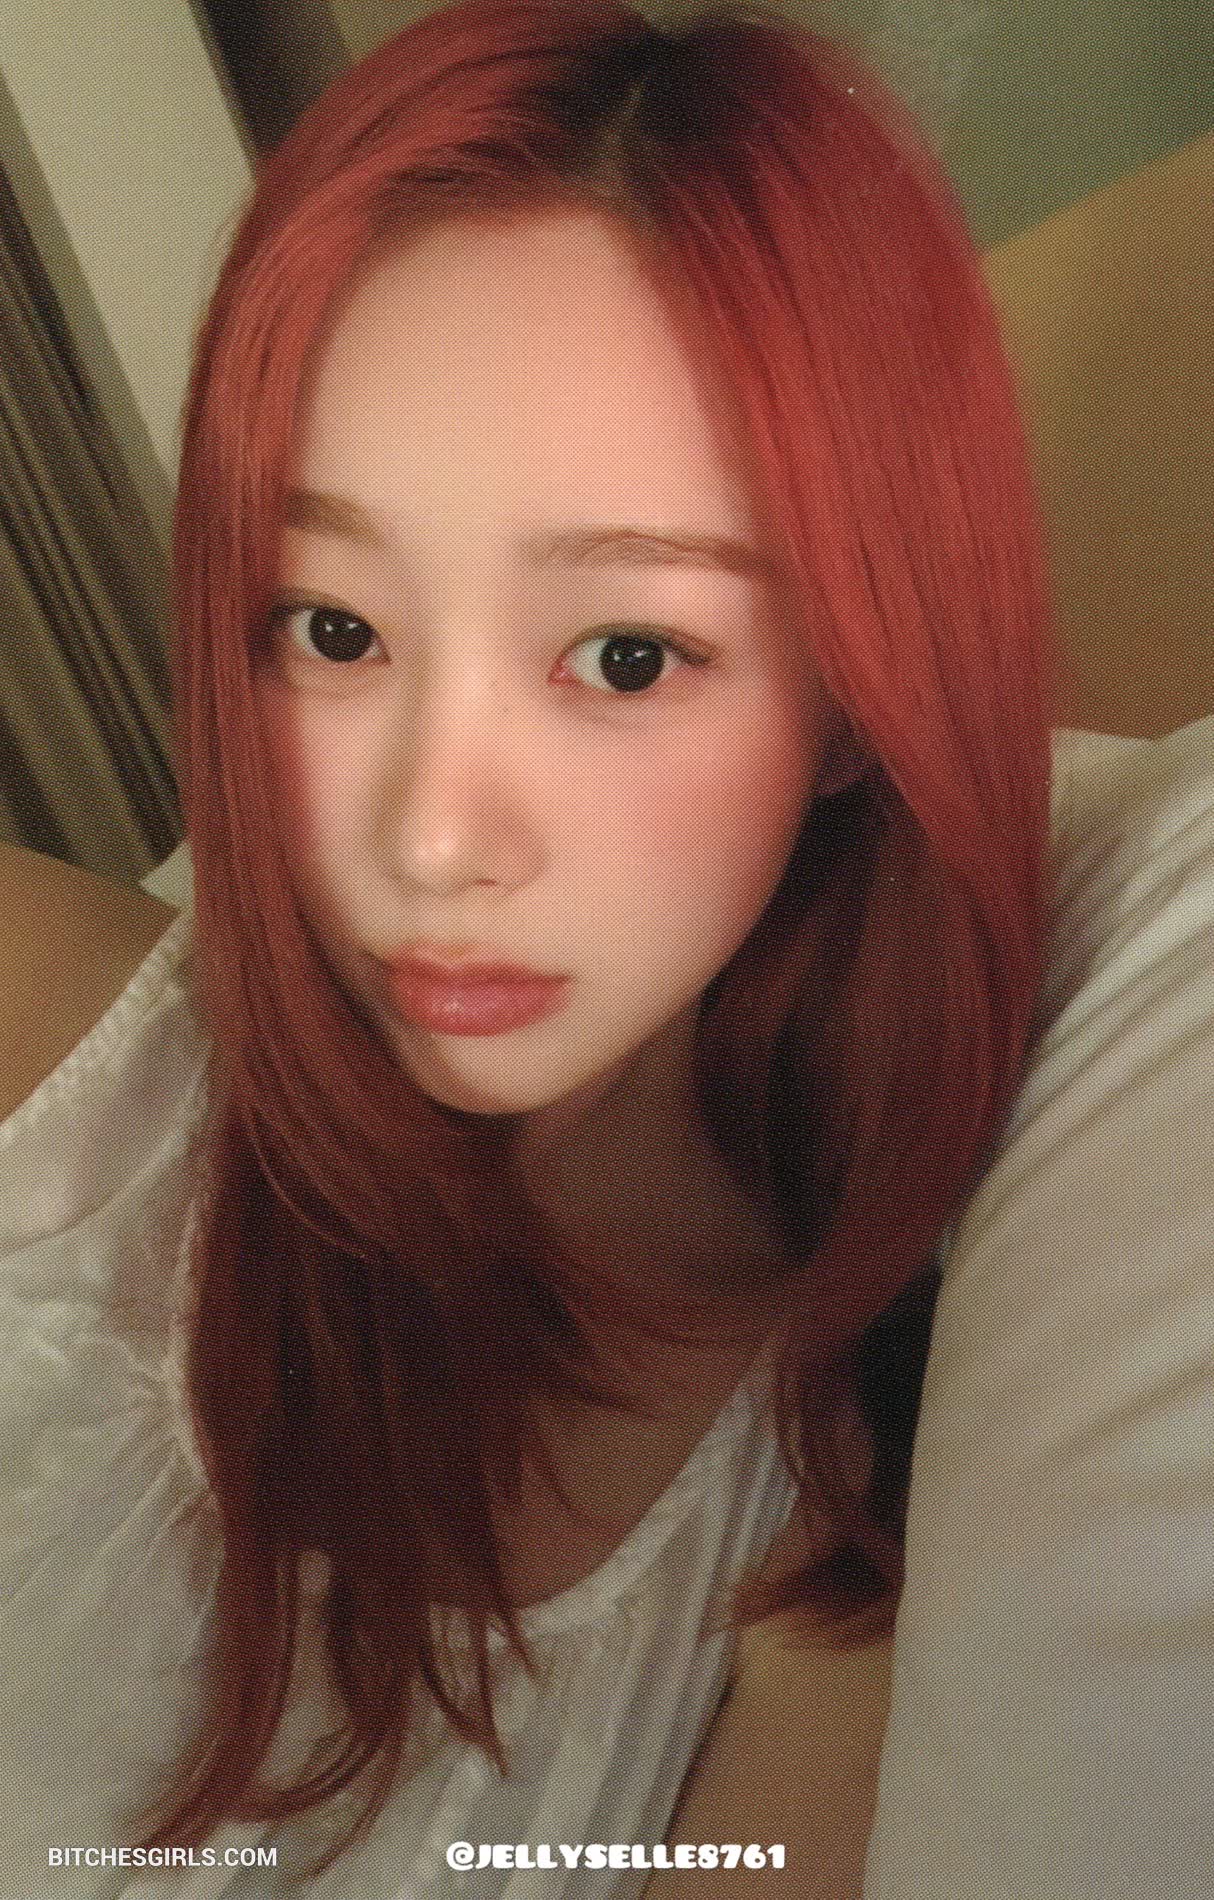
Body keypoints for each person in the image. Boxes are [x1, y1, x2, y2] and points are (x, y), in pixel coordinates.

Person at [1, 3, 1210, 1895]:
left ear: (851, 699)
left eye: (626, 656)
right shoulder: (54, 1055)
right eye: (332, 629)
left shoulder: (848, 1583)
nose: (431, 836)